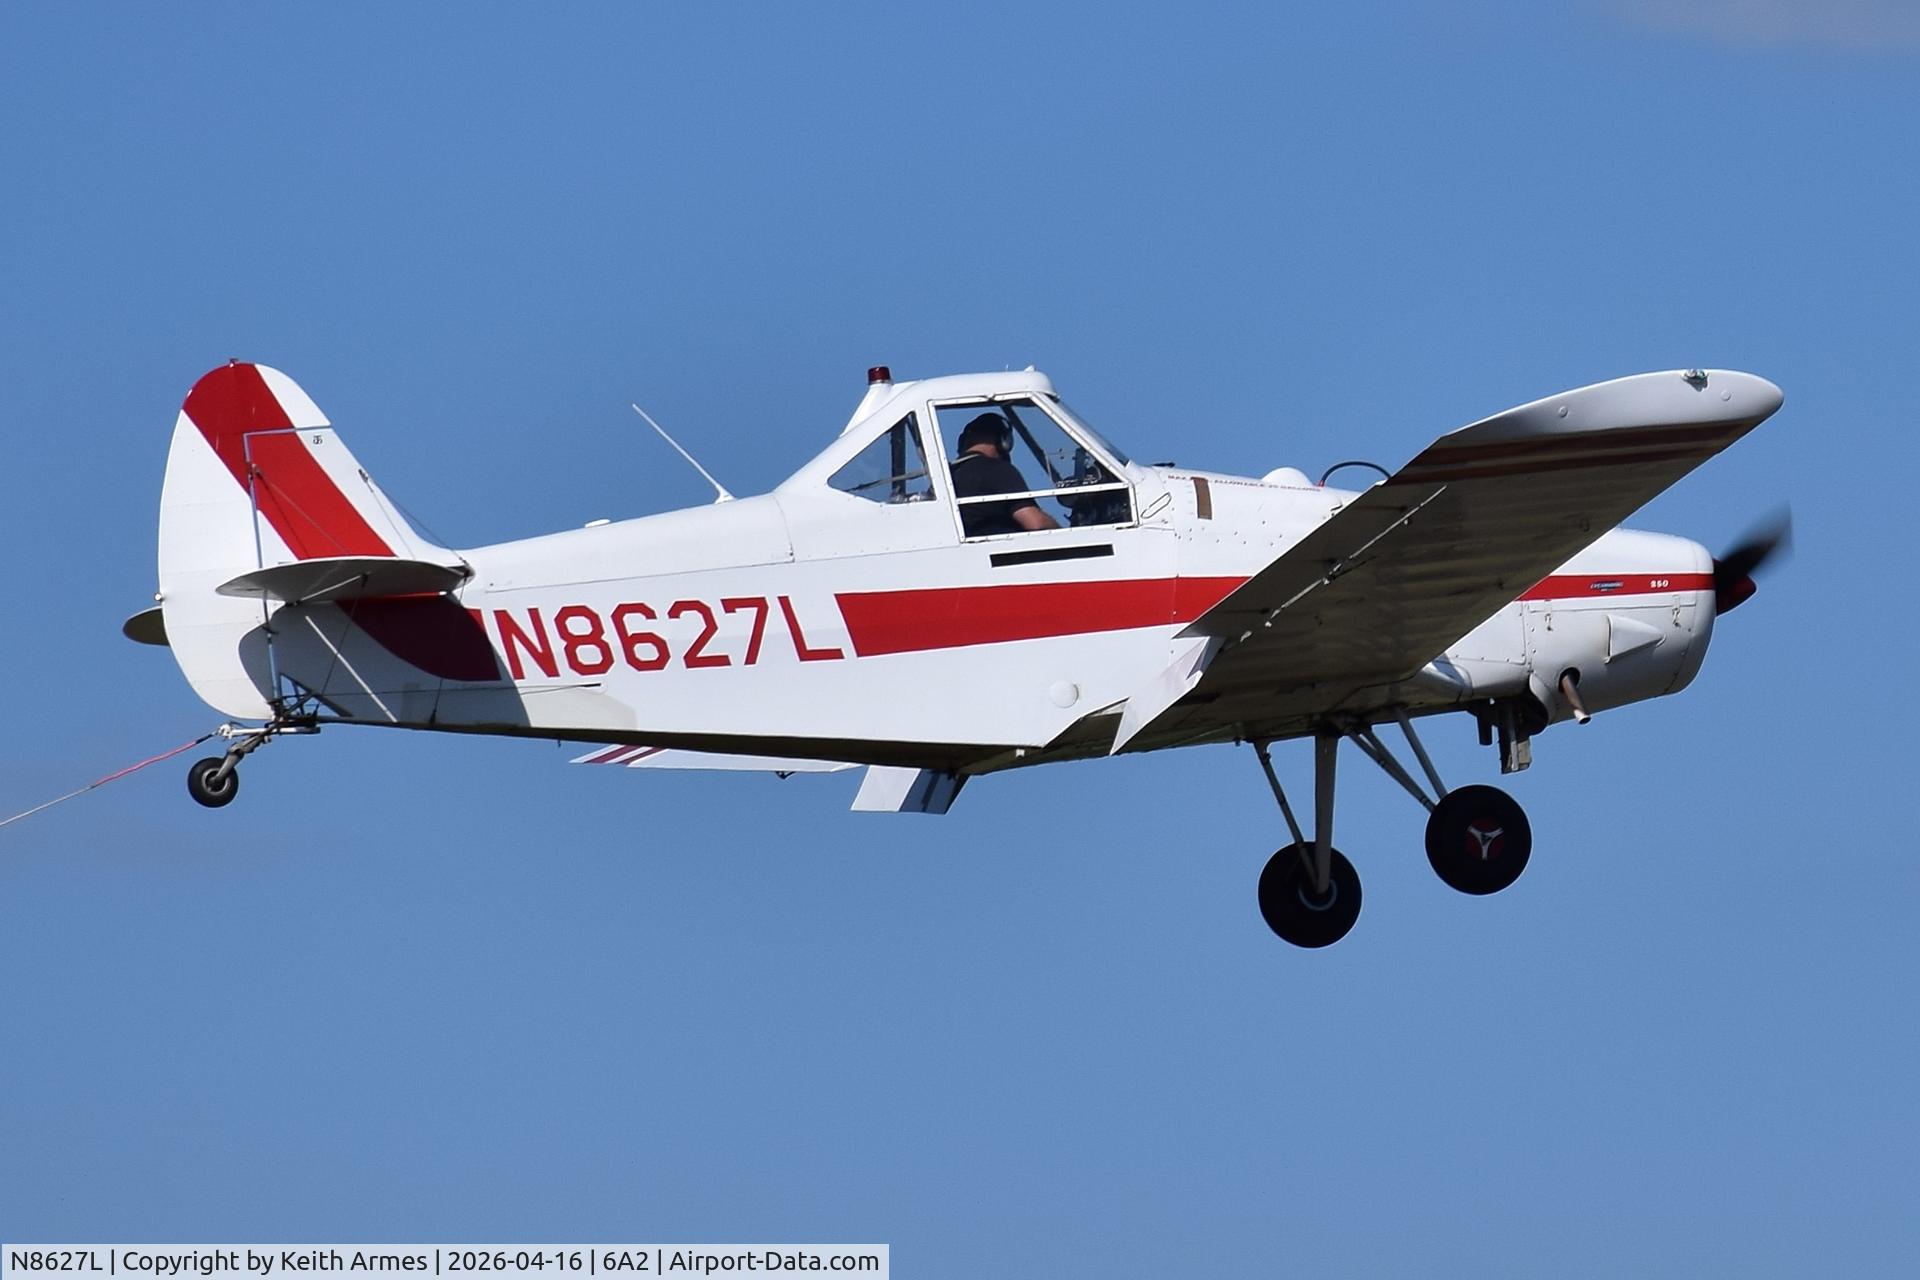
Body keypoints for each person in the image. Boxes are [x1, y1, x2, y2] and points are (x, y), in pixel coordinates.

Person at [949, 412, 1061, 537]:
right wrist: (1063, 532)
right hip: (1007, 552)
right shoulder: (996, 470)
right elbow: (1036, 524)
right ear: (1004, 442)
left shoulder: (947, 477)